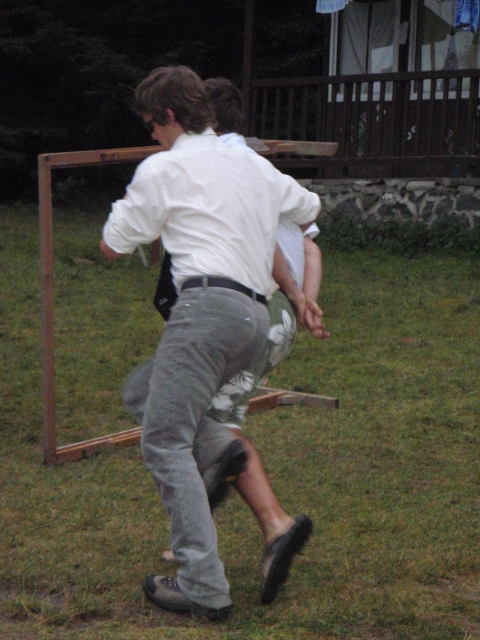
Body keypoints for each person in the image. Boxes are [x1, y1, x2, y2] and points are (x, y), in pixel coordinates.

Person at [100, 65, 321, 621]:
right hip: (253, 318)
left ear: (170, 116)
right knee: (142, 391)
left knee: (164, 442)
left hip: (204, 311)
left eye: (152, 124)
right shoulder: (248, 161)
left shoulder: (165, 167)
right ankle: (220, 446)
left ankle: (202, 585)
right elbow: (308, 208)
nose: (152, 135)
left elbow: (112, 245)